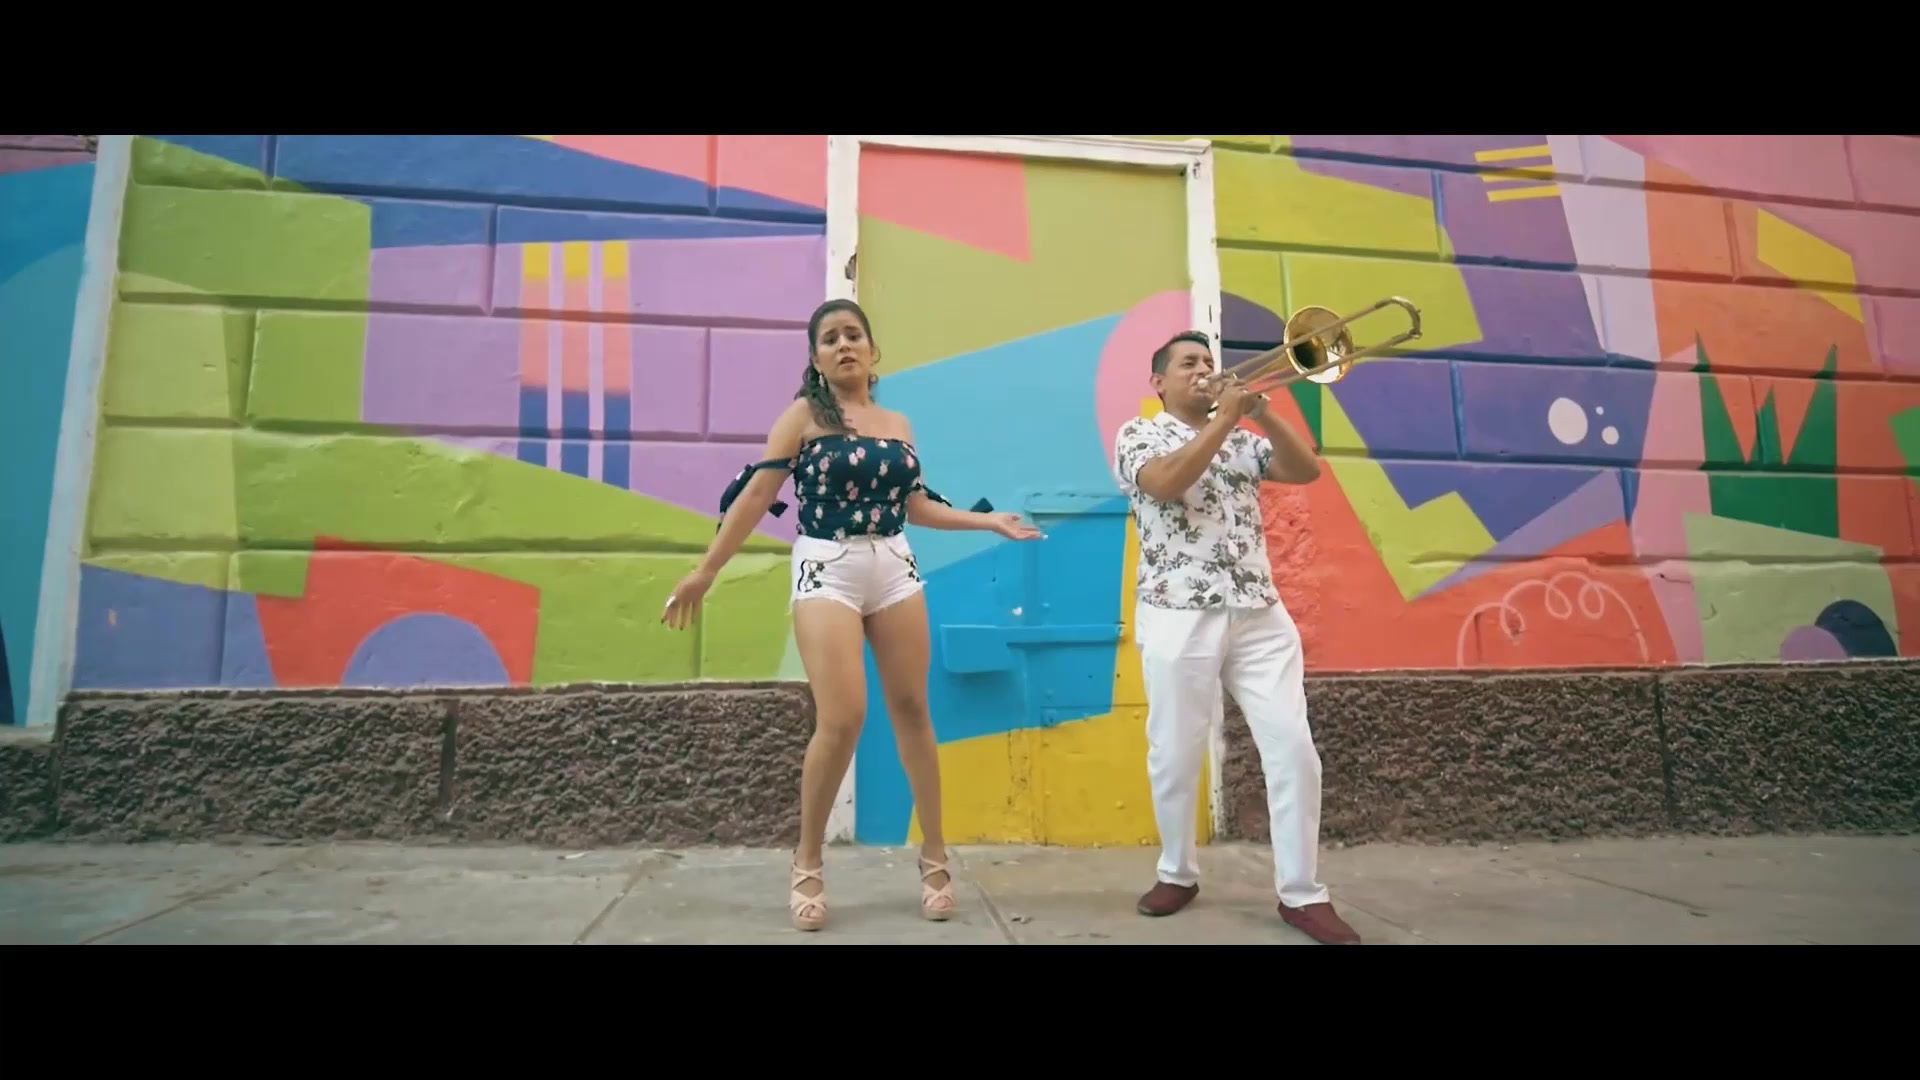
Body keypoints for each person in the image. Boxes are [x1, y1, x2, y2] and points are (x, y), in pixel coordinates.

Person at [662, 298, 1043, 932]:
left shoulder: (897, 422)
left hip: (892, 564)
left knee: (913, 709)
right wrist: (706, 571)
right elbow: (757, 495)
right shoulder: (802, 418)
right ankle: (808, 860)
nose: (844, 345)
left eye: (853, 335)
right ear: (816, 358)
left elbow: (914, 504)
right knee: (842, 718)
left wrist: (987, 521)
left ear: (871, 350)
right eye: (830, 338)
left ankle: (935, 857)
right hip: (827, 565)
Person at [1110, 330, 1362, 946]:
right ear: (1159, 383)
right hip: (1179, 611)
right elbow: (1165, 483)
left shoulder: (1245, 438)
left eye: (1208, 361)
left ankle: (1302, 893)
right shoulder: (1139, 434)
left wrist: (1262, 411)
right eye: (1188, 363)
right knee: (1175, 751)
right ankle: (1177, 872)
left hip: (1258, 612)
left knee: (1294, 749)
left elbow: (1305, 470)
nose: (1203, 369)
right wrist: (1224, 420)